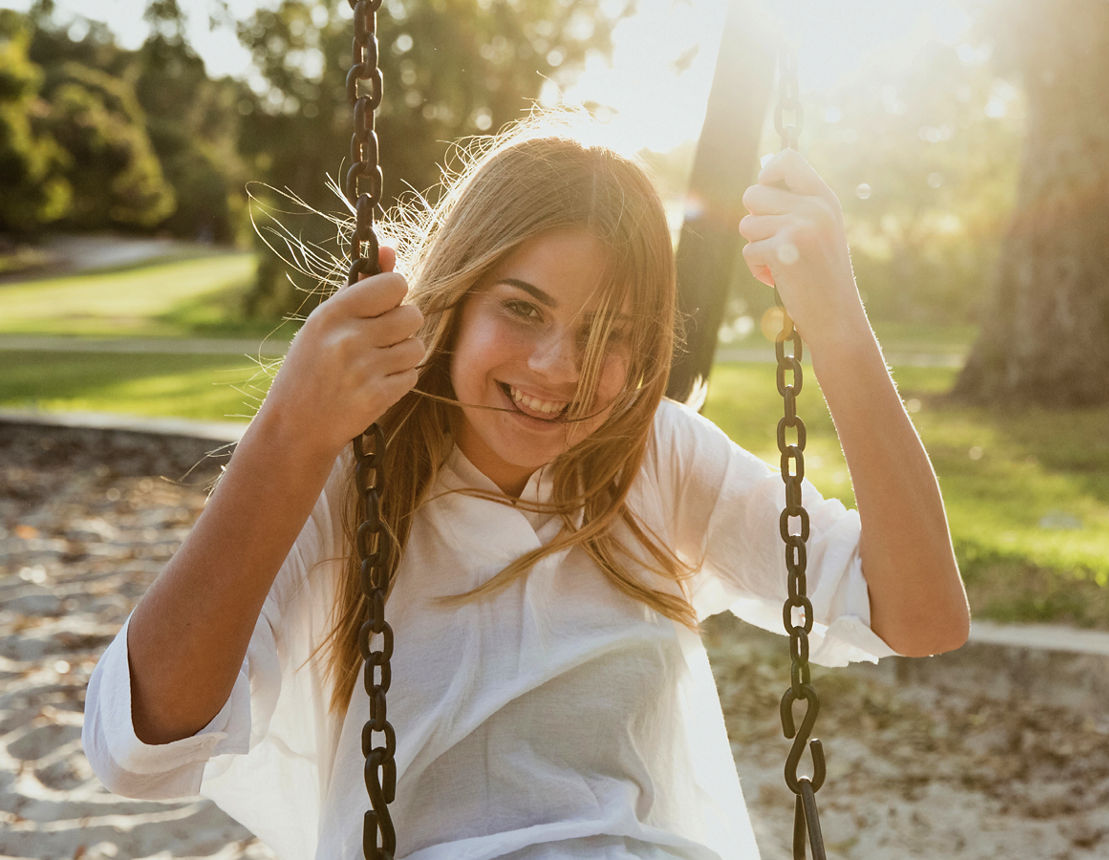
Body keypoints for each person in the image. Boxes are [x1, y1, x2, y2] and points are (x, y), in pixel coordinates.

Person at [83, 114, 969, 859]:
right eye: (523, 308)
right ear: (456, 297)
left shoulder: (654, 457)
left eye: (611, 331)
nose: (560, 369)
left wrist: (840, 332)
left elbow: (923, 614)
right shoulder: (348, 474)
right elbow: (138, 753)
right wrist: (288, 435)